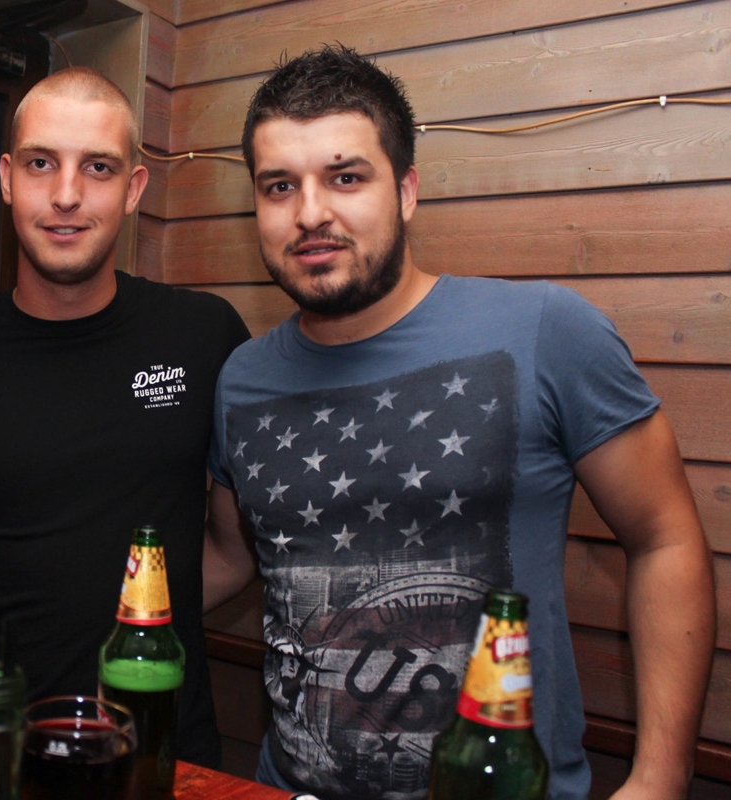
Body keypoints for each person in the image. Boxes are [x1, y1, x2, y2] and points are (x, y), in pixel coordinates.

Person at [202, 45, 715, 800]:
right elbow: (229, 556)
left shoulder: (547, 331)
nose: (310, 213)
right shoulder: (242, 378)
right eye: (280, 185)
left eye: (346, 177)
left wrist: (661, 779)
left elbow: (665, 538)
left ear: (407, 190)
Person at [0, 67, 250, 769]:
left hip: (164, 754)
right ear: (7, 179)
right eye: (41, 164)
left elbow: (234, 552)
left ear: (134, 189)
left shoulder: (204, 337)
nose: (66, 195)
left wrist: (140, 632)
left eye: (98, 167)